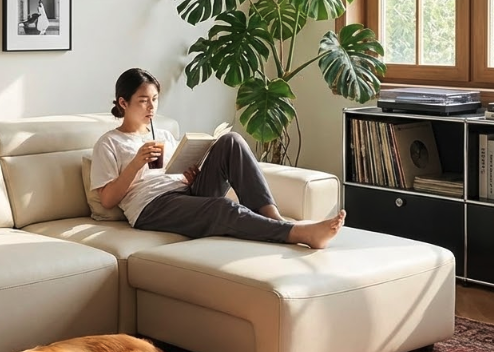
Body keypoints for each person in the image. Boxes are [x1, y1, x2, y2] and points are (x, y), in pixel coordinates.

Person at [90, 68, 346, 249]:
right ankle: (298, 233)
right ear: (123, 103)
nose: (151, 107)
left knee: (231, 141)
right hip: (151, 207)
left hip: (184, 193)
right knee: (222, 208)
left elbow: (172, 173)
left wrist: (189, 177)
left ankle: (274, 218)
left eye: (155, 99)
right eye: (143, 101)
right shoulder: (109, 143)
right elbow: (108, 199)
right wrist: (136, 163)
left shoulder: (164, 134)